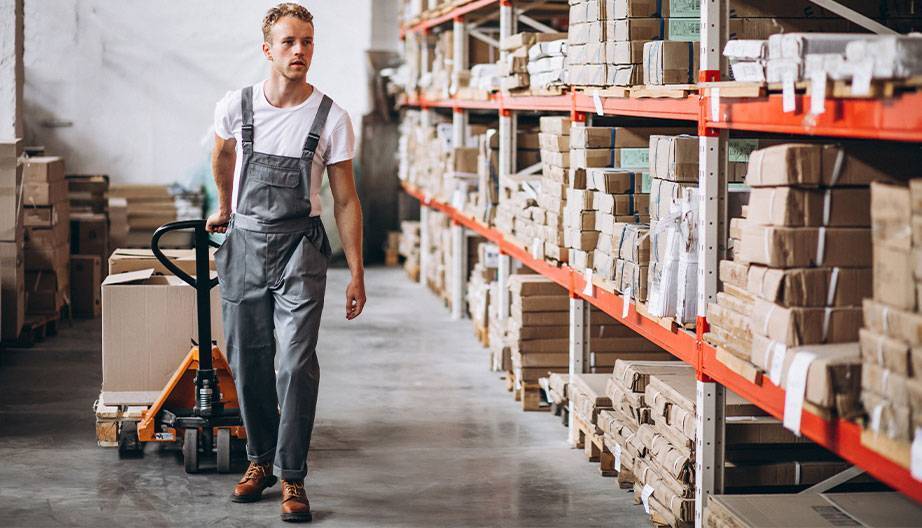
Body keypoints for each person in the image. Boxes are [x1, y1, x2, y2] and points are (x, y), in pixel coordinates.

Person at [206, 3, 365, 523]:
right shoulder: (238, 105)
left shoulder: (330, 117)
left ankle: (292, 476)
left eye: (308, 42)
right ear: (268, 48)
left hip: (301, 248)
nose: (300, 51)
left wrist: (357, 271)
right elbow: (223, 154)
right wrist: (225, 207)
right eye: (289, 42)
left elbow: (345, 200)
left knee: (295, 363)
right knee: (248, 360)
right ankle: (259, 462)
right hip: (245, 244)